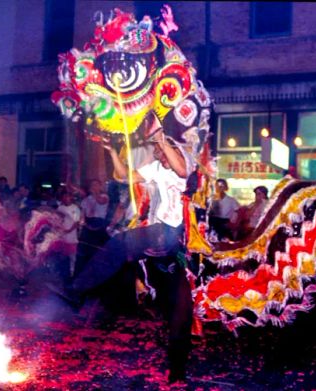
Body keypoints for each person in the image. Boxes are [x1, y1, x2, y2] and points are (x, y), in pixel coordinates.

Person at [57, 119, 194, 382]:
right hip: (158, 237)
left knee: (182, 312)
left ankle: (178, 371)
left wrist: (161, 138)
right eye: (156, 149)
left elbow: (181, 168)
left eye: (158, 149)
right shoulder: (156, 167)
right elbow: (123, 176)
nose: (155, 153)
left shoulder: (183, 162)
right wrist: (111, 152)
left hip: (175, 237)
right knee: (121, 249)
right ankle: (77, 291)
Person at [56, 191, 82, 278]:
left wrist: (69, 230)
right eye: (64, 197)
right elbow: (57, 219)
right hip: (62, 236)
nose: (66, 199)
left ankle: (72, 273)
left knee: (72, 256)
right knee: (62, 254)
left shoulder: (75, 208)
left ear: (71, 198)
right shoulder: (60, 208)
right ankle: (62, 272)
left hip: (72, 236)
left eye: (68, 197)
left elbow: (76, 222)